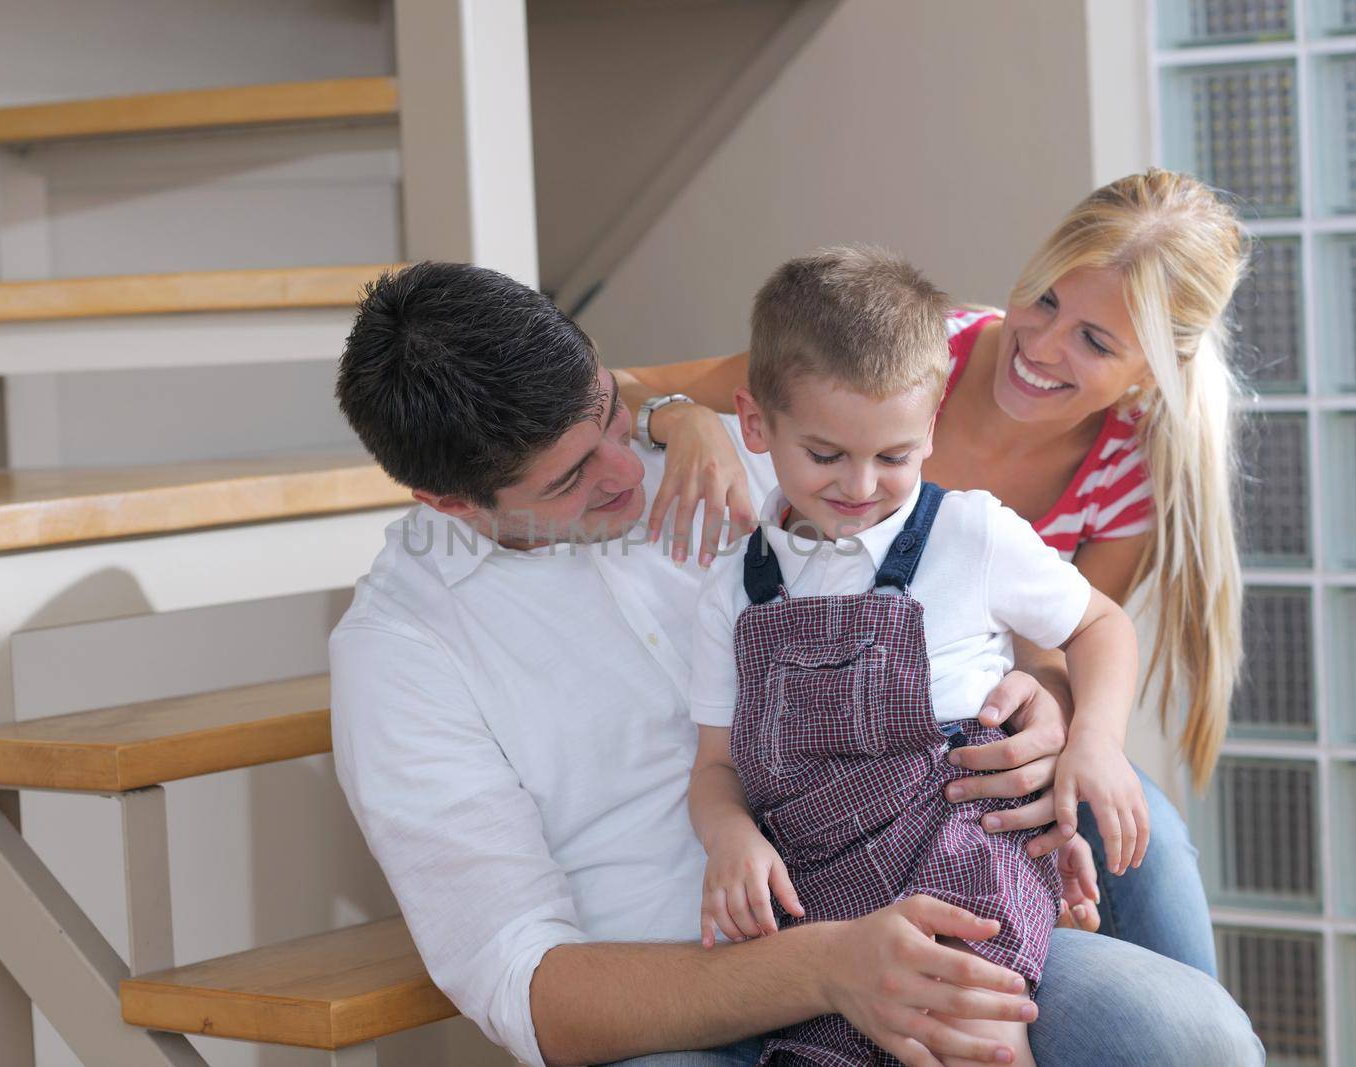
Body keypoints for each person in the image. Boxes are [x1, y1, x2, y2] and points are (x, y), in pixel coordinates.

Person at [328, 258, 1262, 1066]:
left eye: (611, 417)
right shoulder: (401, 654)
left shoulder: (764, 452)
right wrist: (827, 964)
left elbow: (970, 595)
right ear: (447, 502)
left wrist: (1045, 704)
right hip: (687, 1003)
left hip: (916, 888)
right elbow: (529, 987)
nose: (624, 469)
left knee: (1192, 1037)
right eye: (571, 478)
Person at [620, 169, 1246, 977]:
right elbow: (631, 387)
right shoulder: (908, 355)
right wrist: (680, 420)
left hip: (973, 757)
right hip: (844, 807)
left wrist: (1067, 719)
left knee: (1145, 845)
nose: (1044, 347)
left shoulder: (1125, 473)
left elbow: (1069, 634)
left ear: (1149, 375)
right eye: (1046, 299)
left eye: (1095, 341)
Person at [687, 249, 1148, 1067]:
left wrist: (1096, 743)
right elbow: (716, 766)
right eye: (826, 455)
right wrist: (730, 839)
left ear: (930, 428)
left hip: (964, 848)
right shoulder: (731, 587)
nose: (861, 485)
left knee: (970, 1036)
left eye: (895, 456)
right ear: (757, 425)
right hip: (818, 888)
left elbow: (1101, 625)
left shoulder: (970, 532)